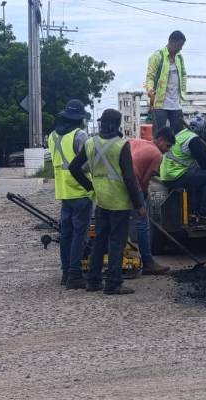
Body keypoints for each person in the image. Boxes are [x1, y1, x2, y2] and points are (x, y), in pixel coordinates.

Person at [69, 109, 145, 295]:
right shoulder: (121, 145)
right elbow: (129, 178)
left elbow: (74, 167)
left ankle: (93, 281)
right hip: (119, 201)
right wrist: (139, 205)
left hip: (101, 199)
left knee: (99, 241)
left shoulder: (90, 143)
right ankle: (113, 283)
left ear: (102, 123)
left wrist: (90, 186)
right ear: (117, 125)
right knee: (117, 242)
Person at [47, 99, 92, 289]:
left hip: (63, 191)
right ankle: (75, 275)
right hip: (80, 190)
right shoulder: (80, 135)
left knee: (66, 234)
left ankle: (65, 273)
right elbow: (87, 163)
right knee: (79, 235)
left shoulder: (52, 136)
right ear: (79, 118)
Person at [160, 113, 206, 223]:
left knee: (201, 177)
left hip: (167, 173)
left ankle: (196, 211)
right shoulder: (193, 139)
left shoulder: (182, 134)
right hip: (176, 175)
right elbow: (204, 165)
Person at [128, 128, 176, 275]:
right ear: (160, 140)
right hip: (134, 185)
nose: (167, 150)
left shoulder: (136, 141)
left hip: (119, 184)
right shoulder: (157, 154)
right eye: (167, 146)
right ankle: (148, 262)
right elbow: (144, 181)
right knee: (143, 223)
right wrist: (142, 199)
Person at [145, 30, 187, 133]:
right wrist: (150, 90)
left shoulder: (179, 57)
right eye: (179, 45)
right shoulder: (157, 56)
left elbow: (183, 74)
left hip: (176, 104)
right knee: (160, 134)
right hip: (160, 104)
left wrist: (183, 91)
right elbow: (150, 77)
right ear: (171, 42)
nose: (180, 48)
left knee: (179, 134)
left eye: (182, 46)